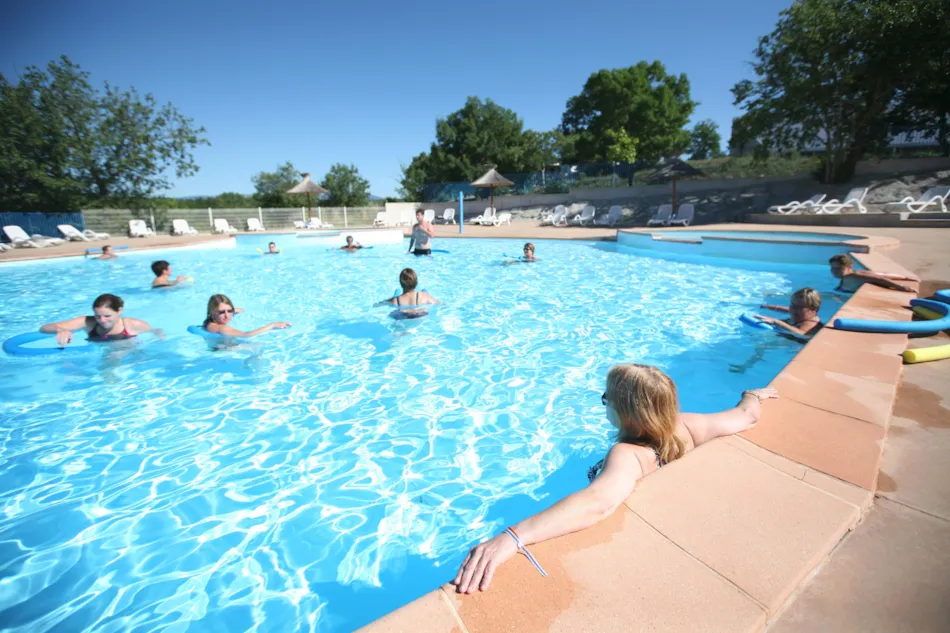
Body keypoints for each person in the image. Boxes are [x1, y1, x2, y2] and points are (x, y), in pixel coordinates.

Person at [452, 363, 778, 594]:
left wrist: (513, 536)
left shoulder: (627, 454)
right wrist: (752, 394)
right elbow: (746, 416)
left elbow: (599, 502)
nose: (604, 403)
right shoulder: (689, 425)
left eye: (606, 399)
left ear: (626, 412)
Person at [40, 294, 154, 345]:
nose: (102, 320)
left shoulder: (134, 325)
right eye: (97, 316)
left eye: (107, 316)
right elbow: (43, 328)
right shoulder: (87, 322)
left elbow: (156, 336)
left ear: (119, 311)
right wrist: (60, 329)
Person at [203, 294, 290, 337]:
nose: (227, 316)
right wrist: (272, 325)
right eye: (222, 312)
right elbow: (246, 335)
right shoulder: (223, 328)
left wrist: (232, 310)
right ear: (213, 312)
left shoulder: (209, 322)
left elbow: (238, 310)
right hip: (228, 349)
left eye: (229, 311)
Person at [755, 288, 823, 339]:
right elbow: (788, 309)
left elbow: (803, 334)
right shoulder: (801, 313)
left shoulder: (810, 323)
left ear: (814, 309)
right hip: (792, 325)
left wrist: (776, 322)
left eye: (799, 307)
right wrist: (766, 306)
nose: (793, 309)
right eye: (792, 305)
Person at [829, 254, 917, 293]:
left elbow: (880, 279)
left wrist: (902, 287)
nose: (834, 271)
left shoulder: (853, 276)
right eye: (833, 268)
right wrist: (904, 277)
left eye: (838, 268)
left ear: (850, 266)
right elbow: (882, 274)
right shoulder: (854, 273)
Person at [374, 268, 439, 319]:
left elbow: (378, 304)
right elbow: (438, 303)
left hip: (403, 315)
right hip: (420, 315)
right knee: (424, 291)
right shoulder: (423, 295)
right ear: (416, 282)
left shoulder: (395, 300)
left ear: (401, 283)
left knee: (397, 294)